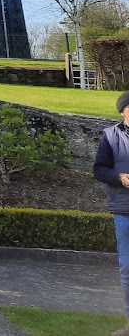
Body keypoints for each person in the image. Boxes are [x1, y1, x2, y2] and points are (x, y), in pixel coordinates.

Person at [93, 89, 129, 336]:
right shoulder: (110, 136)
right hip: (124, 211)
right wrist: (120, 178)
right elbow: (99, 169)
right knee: (127, 268)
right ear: (123, 111)